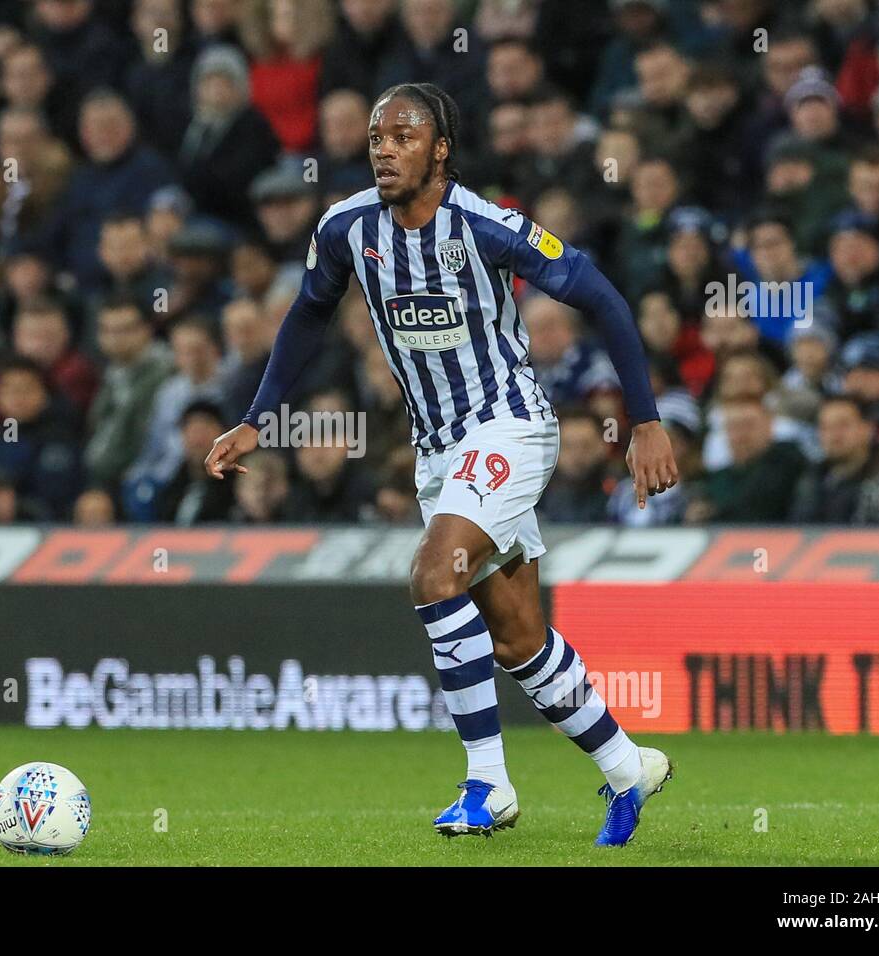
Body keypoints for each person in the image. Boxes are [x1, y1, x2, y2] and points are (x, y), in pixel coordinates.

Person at [205, 82, 678, 846]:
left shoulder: (487, 226)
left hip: (511, 427)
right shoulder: (346, 227)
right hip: (439, 452)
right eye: (375, 137)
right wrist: (258, 416)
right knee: (519, 639)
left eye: (403, 135)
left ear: (441, 149)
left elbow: (605, 299)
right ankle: (629, 768)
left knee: (433, 573)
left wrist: (647, 421)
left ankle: (487, 784)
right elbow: (306, 314)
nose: (384, 149)